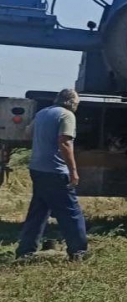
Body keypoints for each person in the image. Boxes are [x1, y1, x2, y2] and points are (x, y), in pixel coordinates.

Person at [16, 89, 88, 262]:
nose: (77, 107)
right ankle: (79, 252)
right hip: (56, 171)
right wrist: (73, 171)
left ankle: (25, 251)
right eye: (77, 104)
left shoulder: (42, 113)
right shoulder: (67, 115)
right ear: (71, 102)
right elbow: (65, 142)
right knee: (71, 212)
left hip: (37, 168)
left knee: (39, 211)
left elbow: (27, 134)